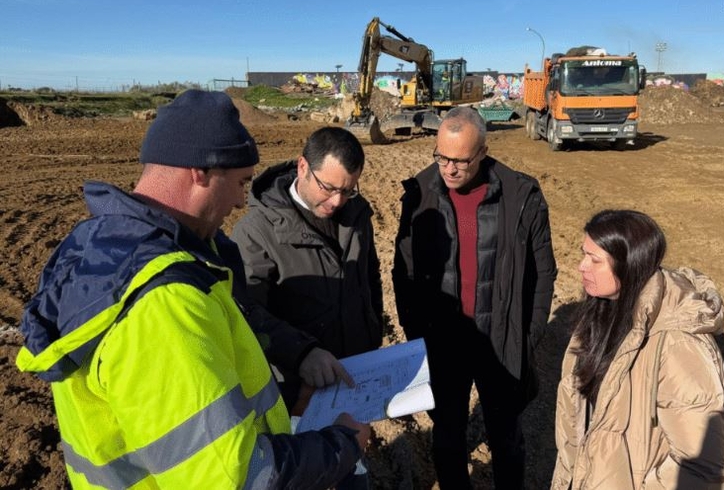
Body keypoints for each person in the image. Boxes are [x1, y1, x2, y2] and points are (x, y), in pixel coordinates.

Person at [15, 90, 370, 489]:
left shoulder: (113, 245)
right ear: (200, 172)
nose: (240, 201)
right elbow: (233, 477)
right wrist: (341, 444)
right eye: (240, 182)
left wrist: (287, 399)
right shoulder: (163, 303)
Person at [392, 106, 557, 489]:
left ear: (482, 152)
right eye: (442, 157)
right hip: (443, 341)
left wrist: (528, 336)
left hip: (500, 341)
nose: (448, 169)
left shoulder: (520, 194)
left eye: (460, 160)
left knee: (506, 437)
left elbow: (543, 272)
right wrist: (415, 329)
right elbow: (404, 270)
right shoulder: (420, 193)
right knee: (447, 435)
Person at [231, 126, 383, 488]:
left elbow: (370, 279)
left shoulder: (356, 215)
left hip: (351, 379)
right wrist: (301, 354)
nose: (336, 202)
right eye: (328, 188)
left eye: (348, 190)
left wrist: (372, 332)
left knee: (353, 475)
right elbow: (245, 315)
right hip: (295, 396)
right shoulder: (256, 232)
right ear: (302, 167)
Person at [550, 209, 724, 489]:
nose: (581, 266)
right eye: (584, 254)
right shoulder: (600, 314)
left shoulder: (678, 345)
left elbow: (702, 467)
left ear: (629, 264)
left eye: (594, 259)